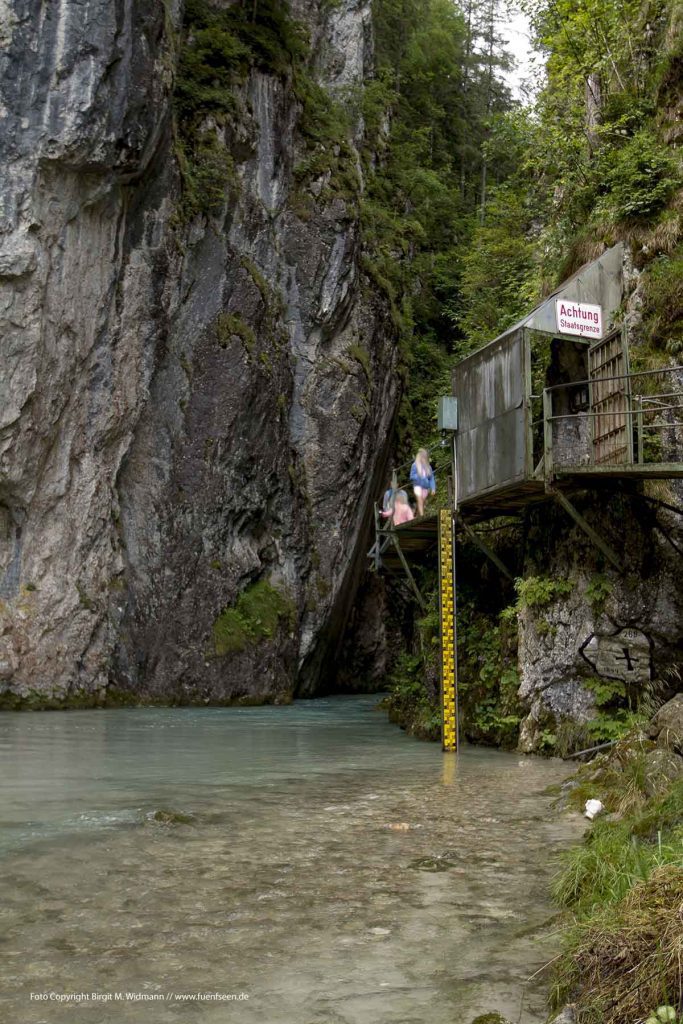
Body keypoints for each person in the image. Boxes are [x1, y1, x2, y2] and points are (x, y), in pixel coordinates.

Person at [410, 448, 436, 516]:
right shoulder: (414, 465)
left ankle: (418, 515)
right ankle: (421, 516)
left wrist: (433, 488)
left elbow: (431, 478)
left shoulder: (428, 467)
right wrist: (419, 476)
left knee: (422, 502)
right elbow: (411, 476)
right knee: (420, 500)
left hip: (425, 487)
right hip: (417, 486)